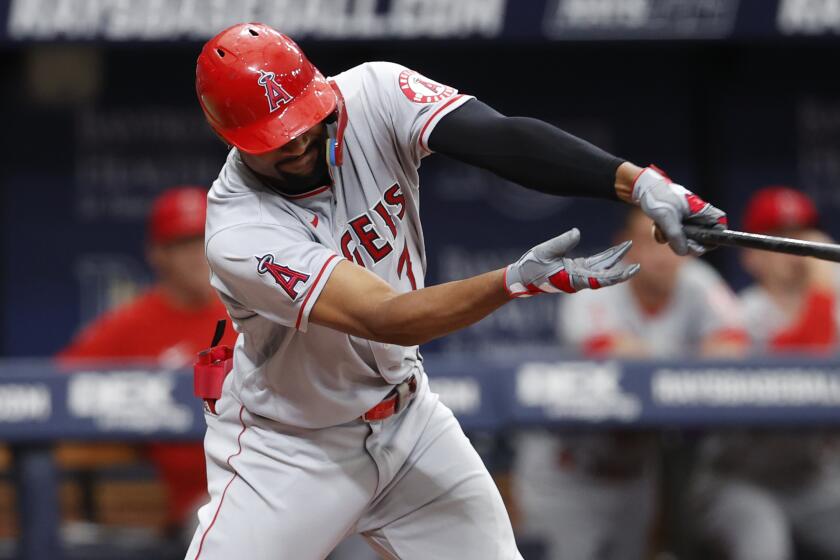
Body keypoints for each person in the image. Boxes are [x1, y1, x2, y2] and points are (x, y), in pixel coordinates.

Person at [188, 22, 728, 560]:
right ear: (230, 138)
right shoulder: (239, 232)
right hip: (291, 450)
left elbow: (500, 139)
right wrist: (513, 281)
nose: (303, 142)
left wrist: (639, 183)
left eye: (308, 120)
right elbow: (385, 315)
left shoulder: (374, 92)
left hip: (407, 423)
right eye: (280, 137)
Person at [512, 207, 746, 560]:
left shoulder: (698, 281)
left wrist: (664, 362)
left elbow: (735, 349)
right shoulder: (594, 281)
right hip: (568, 475)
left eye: (674, 245)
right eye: (652, 243)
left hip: (635, 475)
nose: (665, 257)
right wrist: (690, 359)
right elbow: (615, 358)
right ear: (626, 246)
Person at [59, 186, 237, 536]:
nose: (197, 256)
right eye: (183, 244)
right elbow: (53, 393)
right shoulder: (130, 325)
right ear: (157, 254)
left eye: (204, 240)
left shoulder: (251, 310)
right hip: (203, 501)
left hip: (276, 474)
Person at [688, 186, 840, 560]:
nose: (797, 249)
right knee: (763, 549)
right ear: (752, 255)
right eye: (780, 238)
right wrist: (822, 293)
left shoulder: (834, 308)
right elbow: (794, 369)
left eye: (802, 234)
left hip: (812, 480)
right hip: (739, 480)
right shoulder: (737, 314)